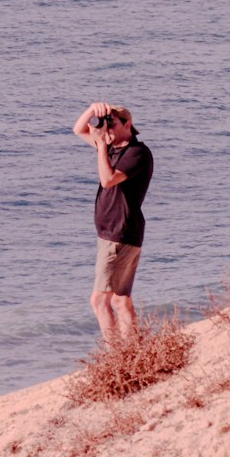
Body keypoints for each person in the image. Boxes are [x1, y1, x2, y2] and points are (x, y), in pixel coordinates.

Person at [72, 100, 154, 341]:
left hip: (118, 234)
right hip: (118, 233)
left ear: (128, 124)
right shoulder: (112, 148)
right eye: (105, 125)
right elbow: (78, 129)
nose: (106, 130)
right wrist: (91, 109)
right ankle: (133, 351)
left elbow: (108, 180)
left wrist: (100, 146)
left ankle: (116, 355)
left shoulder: (137, 153)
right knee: (120, 299)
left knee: (99, 300)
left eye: (112, 124)